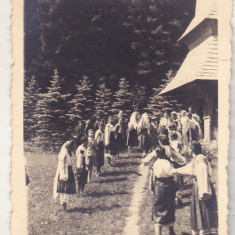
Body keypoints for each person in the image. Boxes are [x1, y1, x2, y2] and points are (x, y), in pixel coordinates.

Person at [172, 142, 218, 235]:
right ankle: (204, 231)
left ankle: (204, 231)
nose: (189, 151)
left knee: (202, 210)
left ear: (193, 150)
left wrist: (203, 191)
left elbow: (202, 175)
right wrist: (175, 171)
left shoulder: (200, 160)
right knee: (202, 211)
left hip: (202, 187)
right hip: (201, 186)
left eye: (190, 149)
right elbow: (189, 169)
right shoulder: (198, 158)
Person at [143, 135, 185, 235]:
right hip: (171, 178)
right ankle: (171, 229)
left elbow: (145, 161)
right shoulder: (171, 150)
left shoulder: (157, 152)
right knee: (170, 205)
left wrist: (151, 161)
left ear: (160, 142)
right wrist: (174, 163)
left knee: (159, 206)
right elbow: (182, 160)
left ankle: (159, 231)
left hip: (159, 181)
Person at [53, 140, 76, 210]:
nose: (74, 149)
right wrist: (63, 174)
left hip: (68, 170)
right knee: (64, 188)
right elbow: (62, 165)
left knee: (67, 188)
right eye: (73, 147)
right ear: (69, 147)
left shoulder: (68, 153)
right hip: (64, 171)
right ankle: (63, 204)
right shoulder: (64, 153)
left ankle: (65, 204)